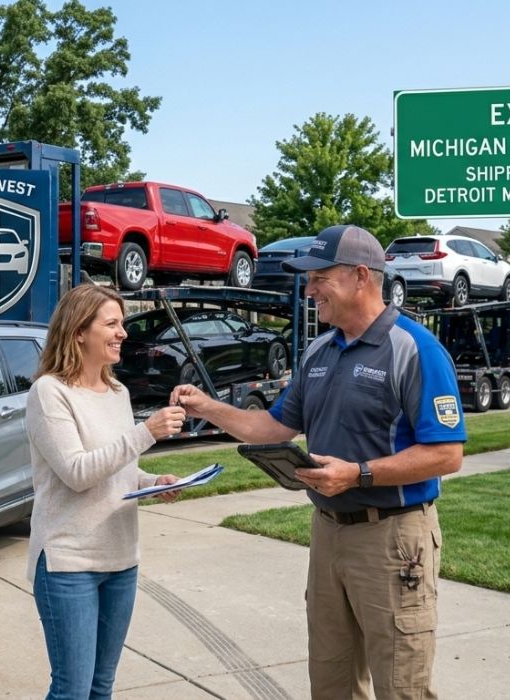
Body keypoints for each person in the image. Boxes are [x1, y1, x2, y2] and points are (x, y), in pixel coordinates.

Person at [171, 225, 466, 700]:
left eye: (318, 278)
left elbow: (447, 454)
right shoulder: (318, 352)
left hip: (393, 538)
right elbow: (275, 428)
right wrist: (206, 407)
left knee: (401, 686)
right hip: (328, 532)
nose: (308, 290)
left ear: (360, 277)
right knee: (331, 683)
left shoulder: (416, 350)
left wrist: (358, 473)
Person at [26, 283, 187, 700]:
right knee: (72, 691)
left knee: (101, 687)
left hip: (121, 559)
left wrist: (152, 483)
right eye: (112, 323)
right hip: (68, 563)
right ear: (79, 331)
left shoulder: (117, 392)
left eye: (122, 324)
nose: (123, 333)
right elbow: (77, 472)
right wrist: (146, 432)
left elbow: (118, 469)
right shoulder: (50, 393)